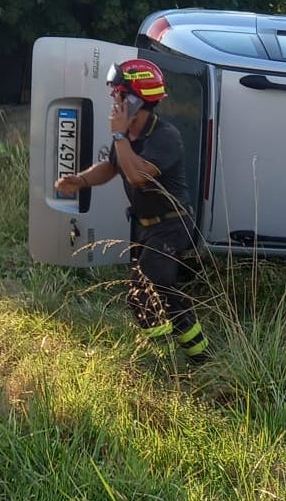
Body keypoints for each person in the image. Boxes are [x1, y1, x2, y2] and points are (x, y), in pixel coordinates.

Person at [55, 59, 208, 365]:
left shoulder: (165, 136)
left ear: (135, 99)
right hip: (146, 228)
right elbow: (113, 167)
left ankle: (184, 362)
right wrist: (82, 180)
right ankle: (183, 359)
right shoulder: (127, 137)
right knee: (153, 297)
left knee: (150, 292)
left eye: (118, 93)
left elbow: (138, 176)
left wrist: (119, 136)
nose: (113, 97)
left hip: (172, 225)